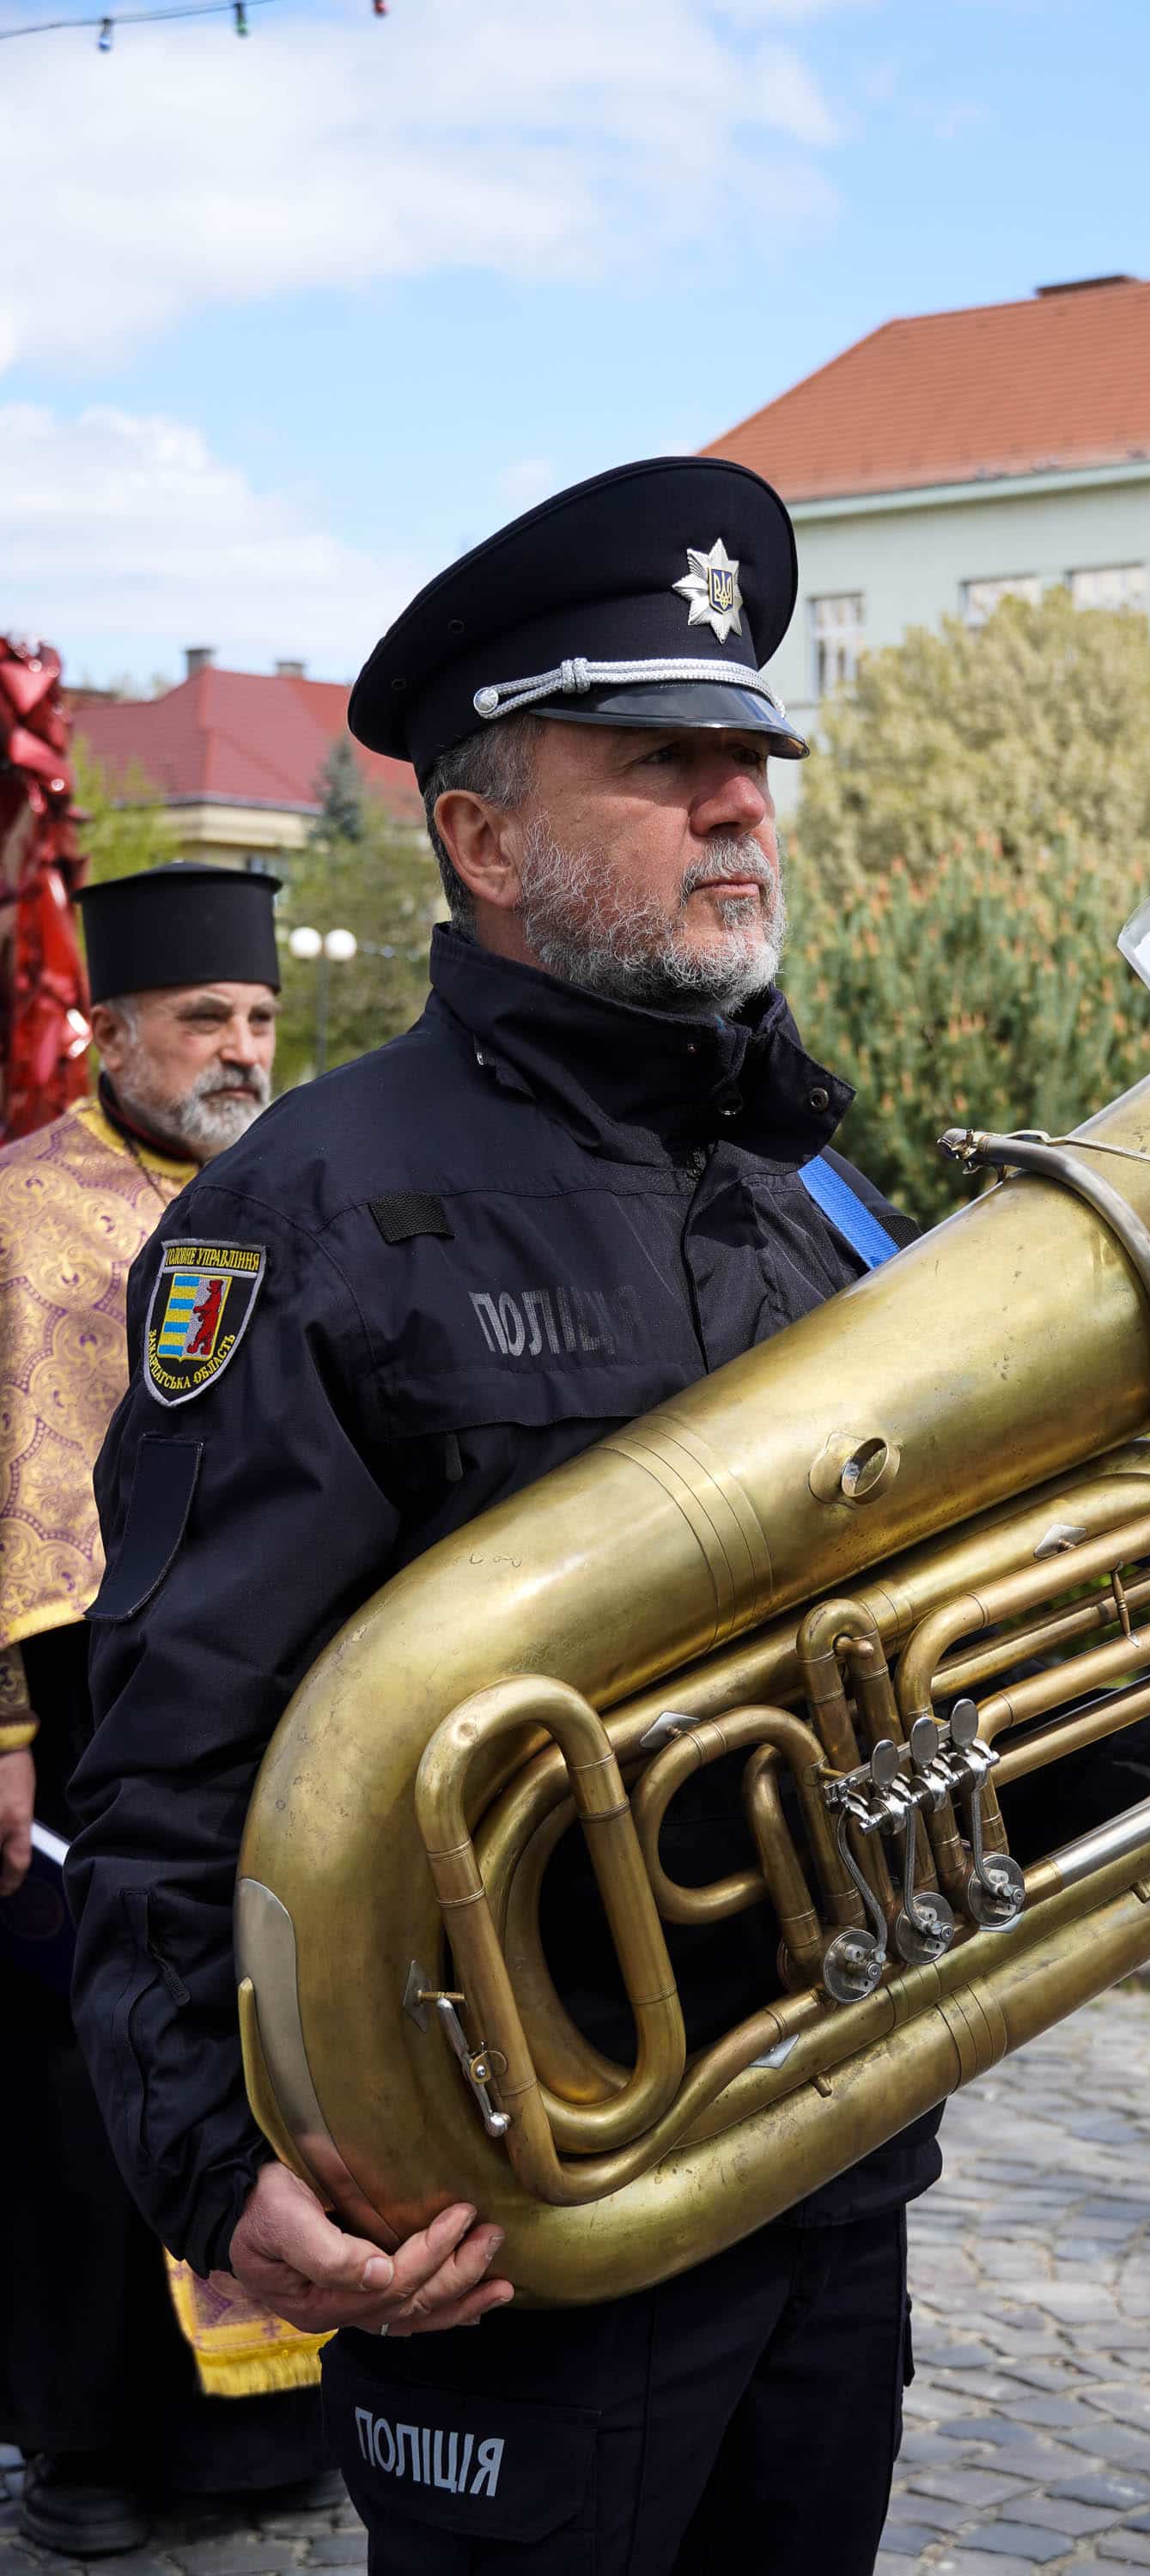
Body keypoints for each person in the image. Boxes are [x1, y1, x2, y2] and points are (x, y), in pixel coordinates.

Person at [66, 460, 1150, 2575]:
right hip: (513, 2219)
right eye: (664, 762)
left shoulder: (819, 1196)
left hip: (825, 2170)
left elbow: (943, 1630)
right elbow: (175, 1753)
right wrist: (212, 2176)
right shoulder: (306, 1212)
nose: (742, 801)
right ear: (478, 836)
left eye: (750, 754)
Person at [0, 863, 338, 2558]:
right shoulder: (15, 1208)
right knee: (76, 2074)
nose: (239, 1049)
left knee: (279, 2039)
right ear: (110, 1029)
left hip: (275, 1694)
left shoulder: (296, 1193)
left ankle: (260, 2441)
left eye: (261, 1017)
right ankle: (85, 2446)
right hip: (65, 1714)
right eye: (204, 1017)